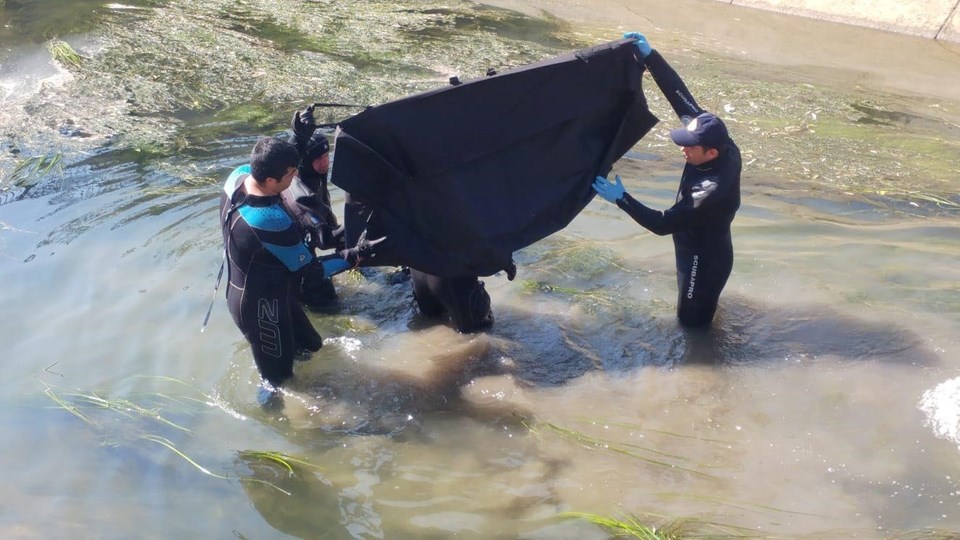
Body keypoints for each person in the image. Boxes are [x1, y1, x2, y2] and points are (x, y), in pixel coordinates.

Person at [592, 32, 742, 327]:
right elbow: (679, 94)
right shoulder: (716, 136)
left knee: (691, 324)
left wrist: (621, 198)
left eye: (689, 146)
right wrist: (651, 57)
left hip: (703, 258)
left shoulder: (708, 192)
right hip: (692, 241)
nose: (682, 149)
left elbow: (661, 224)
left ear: (711, 153)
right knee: (695, 311)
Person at [220, 137, 382, 406]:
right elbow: (313, 271)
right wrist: (357, 255)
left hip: (275, 292)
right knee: (279, 382)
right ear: (271, 180)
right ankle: (276, 431)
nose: (295, 176)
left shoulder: (237, 177)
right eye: (291, 174)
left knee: (311, 346)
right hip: (260, 310)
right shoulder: (270, 222)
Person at [281, 104, 345, 311]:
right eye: (318, 158)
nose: (325, 163)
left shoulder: (318, 178)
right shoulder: (297, 186)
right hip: (296, 256)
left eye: (327, 156)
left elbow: (326, 214)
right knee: (326, 301)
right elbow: (324, 240)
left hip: (312, 238)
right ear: (305, 162)